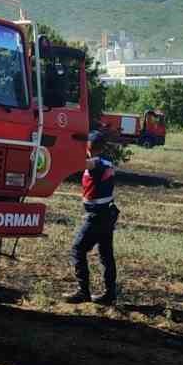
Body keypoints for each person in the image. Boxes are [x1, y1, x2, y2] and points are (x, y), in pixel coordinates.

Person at [66, 130, 119, 306]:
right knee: (106, 255)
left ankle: (83, 292)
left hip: (96, 216)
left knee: (77, 250)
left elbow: (78, 164)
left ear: (89, 146)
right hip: (108, 214)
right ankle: (110, 294)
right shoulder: (107, 162)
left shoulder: (96, 163)